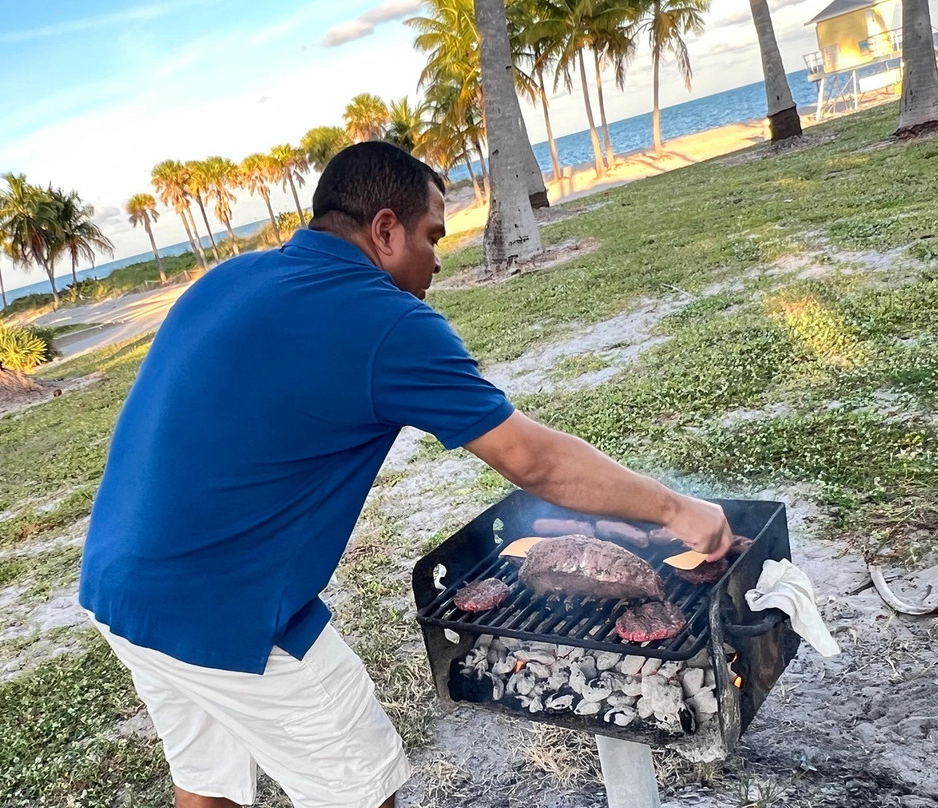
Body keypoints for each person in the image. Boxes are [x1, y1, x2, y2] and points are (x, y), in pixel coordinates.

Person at [79, 142, 732, 808]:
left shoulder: (231, 276)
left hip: (117, 585)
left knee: (205, 779)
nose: (439, 258)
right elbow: (531, 459)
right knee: (362, 790)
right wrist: (678, 512)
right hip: (223, 608)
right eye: (431, 235)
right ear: (385, 230)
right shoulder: (385, 321)